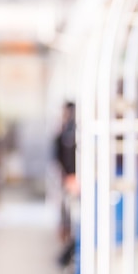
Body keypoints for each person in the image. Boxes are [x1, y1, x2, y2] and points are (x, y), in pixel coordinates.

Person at [54, 102, 79, 242]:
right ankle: (66, 233)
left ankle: (71, 237)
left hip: (72, 175)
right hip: (67, 174)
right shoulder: (64, 130)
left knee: (71, 207)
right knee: (66, 206)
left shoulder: (72, 130)